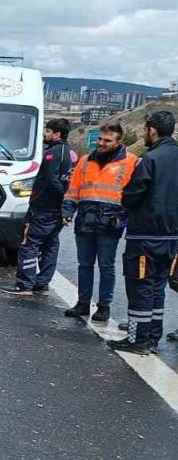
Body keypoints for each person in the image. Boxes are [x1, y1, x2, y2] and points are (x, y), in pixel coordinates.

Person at [109, 111, 178, 354]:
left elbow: (131, 195)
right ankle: (151, 339)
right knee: (157, 289)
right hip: (172, 239)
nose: (142, 133)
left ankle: (137, 340)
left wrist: (125, 202)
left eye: (145, 129)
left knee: (140, 288)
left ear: (153, 130)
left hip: (145, 237)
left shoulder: (150, 159)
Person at [61, 122, 137, 323]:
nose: (101, 143)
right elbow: (73, 188)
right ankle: (83, 303)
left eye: (107, 140)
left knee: (106, 265)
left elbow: (135, 193)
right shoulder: (85, 161)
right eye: (100, 139)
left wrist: (124, 217)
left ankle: (104, 306)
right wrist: (68, 210)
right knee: (84, 264)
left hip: (110, 222)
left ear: (118, 141)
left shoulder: (131, 162)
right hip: (86, 219)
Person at [3, 119, 75, 297]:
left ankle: (25, 283)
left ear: (57, 134)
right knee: (50, 245)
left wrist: (62, 196)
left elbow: (52, 180)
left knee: (29, 243)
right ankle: (42, 284)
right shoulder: (73, 153)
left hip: (43, 208)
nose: (45, 134)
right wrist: (67, 203)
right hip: (59, 210)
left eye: (48, 131)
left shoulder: (52, 153)